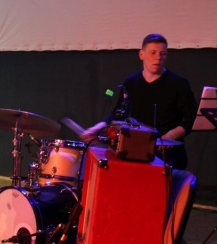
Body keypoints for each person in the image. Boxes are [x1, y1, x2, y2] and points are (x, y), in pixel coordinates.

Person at [81, 33, 197, 170]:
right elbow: (118, 114)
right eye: (153, 53)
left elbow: (191, 118)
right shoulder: (131, 83)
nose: (158, 57)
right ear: (141, 54)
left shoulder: (179, 83)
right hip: (136, 152)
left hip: (168, 155)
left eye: (162, 54)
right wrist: (95, 129)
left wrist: (171, 135)